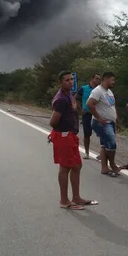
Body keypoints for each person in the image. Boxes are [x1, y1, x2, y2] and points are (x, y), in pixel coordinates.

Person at [49, 71, 98, 210]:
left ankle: (76, 197)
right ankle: (64, 200)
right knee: (65, 167)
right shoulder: (61, 99)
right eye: (66, 80)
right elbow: (53, 122)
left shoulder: (69, 95)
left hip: (70, 136)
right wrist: (59, 129)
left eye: (71, 79)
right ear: (60, 82)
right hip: (64, 136)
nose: (70, 82)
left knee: (76, 166)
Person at [87, 71, 121, 177]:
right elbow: (90, 104)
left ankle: (104, 168)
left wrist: (117, 120)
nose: (113, 82)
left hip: (110, 122)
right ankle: (112, 164)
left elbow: (112, 107)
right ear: (106, 79)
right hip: (101, 123)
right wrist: (99, 118)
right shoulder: (98, 91)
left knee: (104, 144)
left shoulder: (109, 92)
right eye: (112, 80)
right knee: (111, 143)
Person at [75, 73, 101, 159]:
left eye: (99, 79)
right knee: (87, 134)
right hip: (87, 114)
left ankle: (102, 153)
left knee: (102, 133)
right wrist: (80, 110)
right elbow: (77, 98)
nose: (98, 80)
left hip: (97, 114)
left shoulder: (100, 89)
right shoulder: (84, 88)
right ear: (92, 78)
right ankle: (86, 152)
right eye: (96, 78)